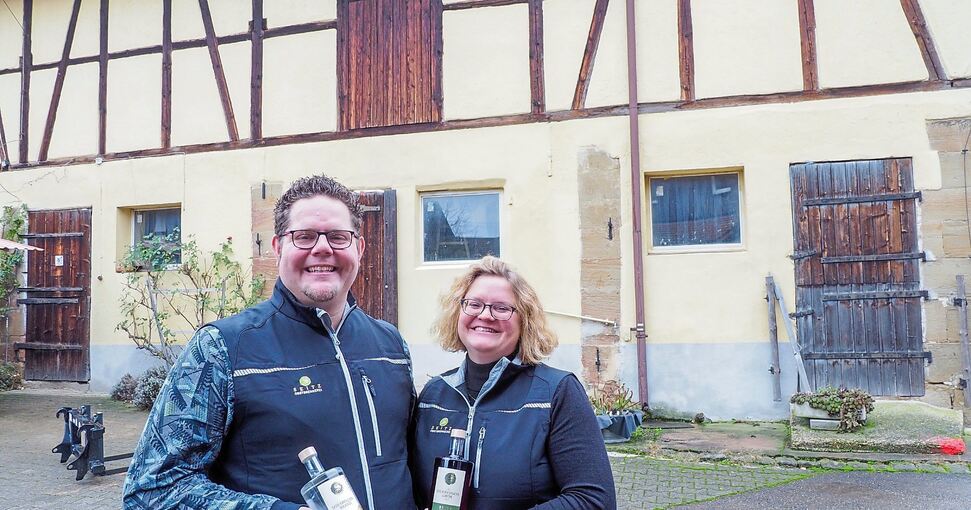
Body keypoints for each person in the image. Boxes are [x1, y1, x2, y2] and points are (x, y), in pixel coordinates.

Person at [123, 175, 416, 510]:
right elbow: (153, 491)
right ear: (278, 248)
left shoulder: (392, 346)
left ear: (359, 248)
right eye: (304, 237)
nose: (322, 248)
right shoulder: (222, 349)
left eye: (338, 236)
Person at [410, 256, 616, 509]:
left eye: (501, 308)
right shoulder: (434, 395)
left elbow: (593, 500)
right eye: (473, 304)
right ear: (457, 312)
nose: (485, 315)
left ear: (524, 321)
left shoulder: (557, 392)